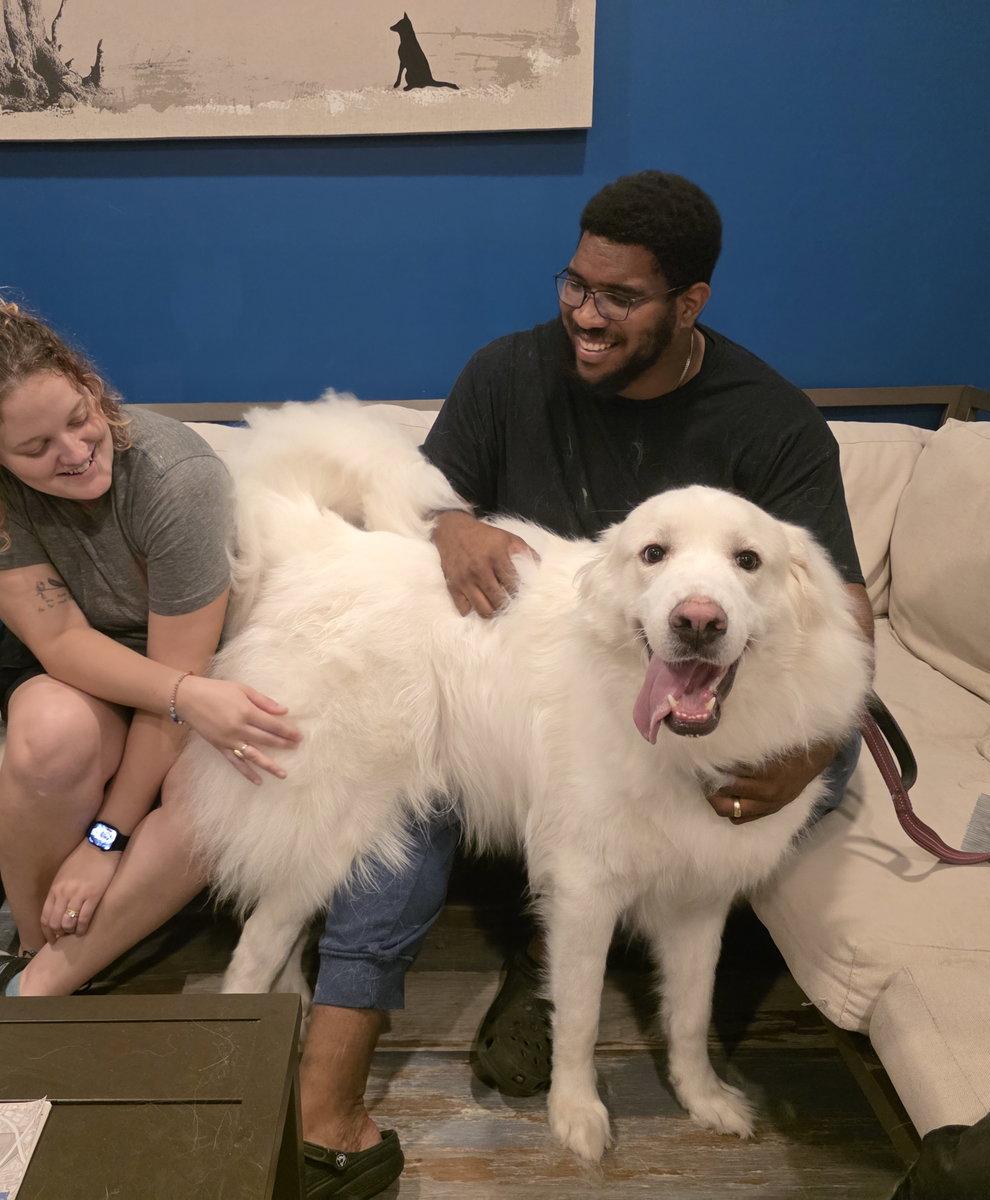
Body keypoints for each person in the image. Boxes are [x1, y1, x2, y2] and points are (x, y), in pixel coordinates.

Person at [300, 170, 876, 1193]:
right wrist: (449, 522)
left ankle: (590, 969)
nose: (585, 315)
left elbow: (838, 603)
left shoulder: (771, 422)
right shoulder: (507, 373)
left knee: (788, 787)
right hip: (541, 682)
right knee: (408, 802)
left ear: (688, 303)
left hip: (710, 698)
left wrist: (807, 752)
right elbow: (417, 507)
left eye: (620, 298)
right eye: (576, 283)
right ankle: (356, 1063)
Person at [0, 279, 302, 1003]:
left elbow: (178, 673)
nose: (78, 452)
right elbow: (59, 641)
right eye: (35, 448)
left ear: (90, 386)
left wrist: (104, 842)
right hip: (85, 660)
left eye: (80, 418)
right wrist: (185, 697)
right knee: (53, 735)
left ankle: (36, 988)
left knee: (215, 792)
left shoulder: (176, 476)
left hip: (183, 659)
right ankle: (30, 945)